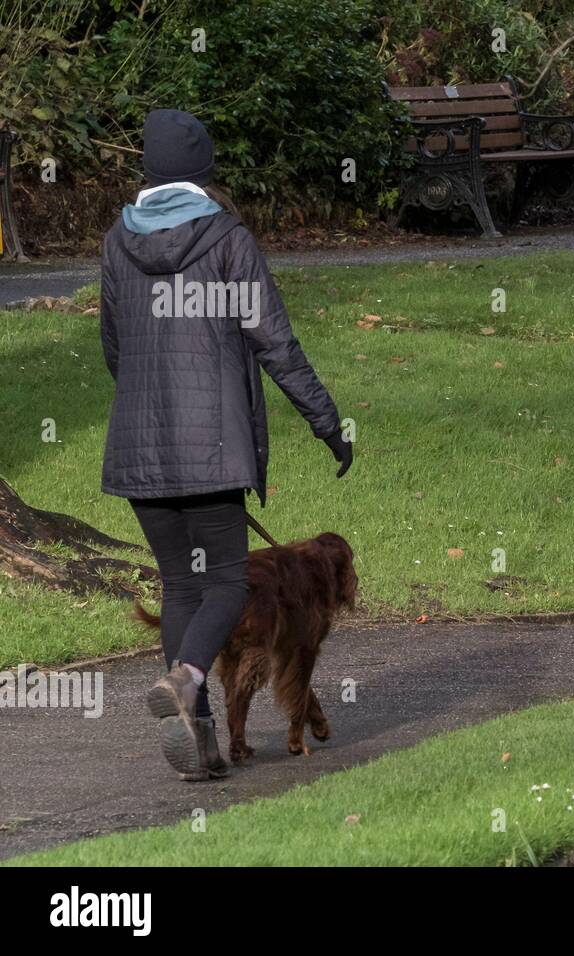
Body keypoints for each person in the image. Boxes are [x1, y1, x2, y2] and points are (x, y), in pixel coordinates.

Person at [99, 108, 353, 779]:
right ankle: (186, 677)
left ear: (150, 174)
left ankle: (200, 748)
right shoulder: (227, 238)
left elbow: (114, 350)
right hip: (210, 446)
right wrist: (327, 422)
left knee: (183, 586)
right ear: (204, 174)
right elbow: (275, 342)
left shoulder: (114, 243)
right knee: (227, 580)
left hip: (139, 450)